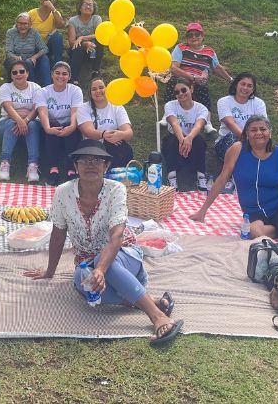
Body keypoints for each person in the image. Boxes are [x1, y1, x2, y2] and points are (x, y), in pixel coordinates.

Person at [24, 139, 183, 346]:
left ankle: (157, 316)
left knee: (101, 266)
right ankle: (147, 301)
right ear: (76, 166)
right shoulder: (63, 192)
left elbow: (116, 235)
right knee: (83, 281)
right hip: (87, 263)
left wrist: (100, 268)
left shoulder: (116, 189)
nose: (90, 165)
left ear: (106, 166)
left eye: (97, 160)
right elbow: (58, 233)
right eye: (84, 160)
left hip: (125, 256)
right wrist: (49, 271)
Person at [189, 116, 278, 240]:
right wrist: (202, 211)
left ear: (270, 132)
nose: (259, 133)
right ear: (247, 134)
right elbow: (222, 179)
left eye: (263, 129)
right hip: (253, 210)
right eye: (253, 130)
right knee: (253, 232)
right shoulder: (236, 150)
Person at [214, 73, 267, 192]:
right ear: (236, 84)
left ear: (253, 89)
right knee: (235, 139)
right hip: (226, 143)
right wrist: (249, 139)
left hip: (252, 141)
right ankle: (232, 179)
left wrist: (254, 140)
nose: (245, 88)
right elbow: (230, 123)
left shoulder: (258, 103)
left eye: (249, 86)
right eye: (243, 84)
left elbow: (263, 125)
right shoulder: (224, 101)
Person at [36, 61, 83, 186]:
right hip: (51, 123)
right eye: (57, 73)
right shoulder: (43, 91)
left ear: (69, 76)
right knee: (51, 131)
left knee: (74, 132)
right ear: (52, 74)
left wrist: (72, 126)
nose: (60, 77)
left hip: (69, 123)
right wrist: (47, 128)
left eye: (64, 74)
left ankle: (71, 170)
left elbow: (75, 112)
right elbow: (43, 112)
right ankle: (53, 170)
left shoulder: (75, 90)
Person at [165, 22, 232, 109]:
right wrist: (192, 78)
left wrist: (230, 79)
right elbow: (174, 68)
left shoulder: (210, 51)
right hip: (182, 78)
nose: (194, 37)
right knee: (175, 84)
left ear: (203, 36)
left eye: (197, 34)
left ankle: (206, 119)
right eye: (190, 35)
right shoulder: (181, 47)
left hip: (200, 81)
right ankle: (168, 113)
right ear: (186, 38)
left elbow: (217, 67)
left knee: (202, 90)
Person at [161, 78, 210, 191]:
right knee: (172, 140)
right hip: (175, 139)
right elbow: (174, 123)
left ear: (191, 89)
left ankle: (201, 176)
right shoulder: (170, 105)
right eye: (177, 92)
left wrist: (189, 138)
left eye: (184, 90)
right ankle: (172, 177)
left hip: (193, 139)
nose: (181, 94)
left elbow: (198, 125)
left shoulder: (201, 108)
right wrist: (183, 139)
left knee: (199, 141)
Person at [0, 60, 41, 183]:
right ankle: (4, 164)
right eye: (14, 72)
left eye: (22, 71)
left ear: (27, 73)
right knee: (11, 123)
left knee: (32, 124)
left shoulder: (36, 88)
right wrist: (20, 120)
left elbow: (37, 109)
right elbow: (8, 107)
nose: (18, 74)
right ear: (11, 76)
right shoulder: (5, 87)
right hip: (6, 124)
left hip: (31, 125)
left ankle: (33, 166)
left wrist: (26, 120)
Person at [77, 76, 134, 167]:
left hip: (113, 146)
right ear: (90, 93)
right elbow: (88, 132)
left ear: (107, 89)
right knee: (109, 144)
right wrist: (104, 135)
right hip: (91, 146)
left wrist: (120, 135)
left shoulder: (117, 106)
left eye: (101, 87)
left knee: (118, 146)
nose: (98, 91)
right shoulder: (83, 108)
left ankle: (117, 175)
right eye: (94, 89)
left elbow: (129, 132)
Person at [4, 12, 50, 87]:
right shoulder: (11, 32)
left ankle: (46, 87)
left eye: (25, 24)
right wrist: (15, 57)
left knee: (43, 58)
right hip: (16, 60)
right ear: (16, 24)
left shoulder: (34, 32)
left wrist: (34, 57)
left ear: (30, 25)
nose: (22, 26)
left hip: (31, 60)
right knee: (12, 61)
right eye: (20, 23)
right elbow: (8, 52)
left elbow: (44, 48)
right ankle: (17, 87)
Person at [66, 0, 103, 85]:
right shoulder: (73, 21)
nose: (88, 7)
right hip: (77, 52)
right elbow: (71, 42)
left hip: (92, 51)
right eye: (86, 4)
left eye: (91, 5)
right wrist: (84, 43)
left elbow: (100, 35)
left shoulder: (97, 19)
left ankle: (95, 72)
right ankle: (74, 79)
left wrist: (82, 38)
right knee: (77, 46)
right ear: (80, 6)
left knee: (100, 41)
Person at [28, 0, 65, 68]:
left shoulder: (55, 13)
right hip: (35, 45)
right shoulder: (32, 13)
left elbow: (61, 25)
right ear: (41, 0)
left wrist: (53, 9)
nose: (47, 1)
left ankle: (58, 66)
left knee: (58, 36)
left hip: (48, 44)